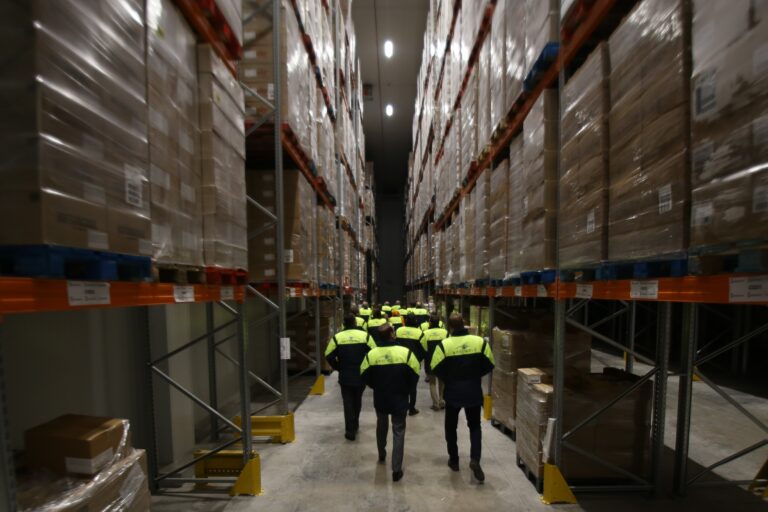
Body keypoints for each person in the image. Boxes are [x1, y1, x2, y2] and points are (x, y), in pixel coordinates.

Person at [430, 312, 495, 483]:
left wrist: (449, 378)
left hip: (452, 392)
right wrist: (474, 376)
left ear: (450, 327)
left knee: (450, 427)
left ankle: (454, 460)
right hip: (473, 389)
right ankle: (475, 459)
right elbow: (489, 364)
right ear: (464, 324)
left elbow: (435, 367)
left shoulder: (444, 345)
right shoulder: (479, 342)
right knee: (475, 426)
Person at [360, 324, 420, 482]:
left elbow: (364, 375)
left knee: (381, 425)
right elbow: (415, 374)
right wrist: (407, 389)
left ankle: (381, 454)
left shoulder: (371, 355)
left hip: (380, 397)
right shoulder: (406, 354)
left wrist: (376, 386)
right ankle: (396, 469)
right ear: (392, 335)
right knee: (398, 430)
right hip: (400, 398)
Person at [324, 313, 377, 441]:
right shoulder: (365, 336)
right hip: (361, 375)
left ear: (344, 324)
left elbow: (328, 354)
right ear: (355, 323)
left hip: (345, 375)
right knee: (357, 400)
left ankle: (350, 430)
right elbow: (374, 353)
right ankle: (355, 423)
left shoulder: (337, 338)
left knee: (347, 402)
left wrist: (337, 367)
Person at [395, 313, 426, 416]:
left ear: (406, 320)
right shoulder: (419, 333)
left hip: (399, 362)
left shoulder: (399, 331)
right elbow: (425, 349)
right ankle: (411, 409)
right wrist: (418, 359)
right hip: (414, 364)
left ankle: (401, 405)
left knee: (400, 384)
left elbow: (394, 344)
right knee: (413, 387)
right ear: (415, 320)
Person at [421, 313, 448, 411]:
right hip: (442, 361)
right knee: (442, 381)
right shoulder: (445, 332)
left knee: (432, 382)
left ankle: (435, 404)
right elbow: (448, 345)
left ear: (430, 322)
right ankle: (442, 401)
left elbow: (423, 348)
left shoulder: (425, 333)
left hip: (430, 361)